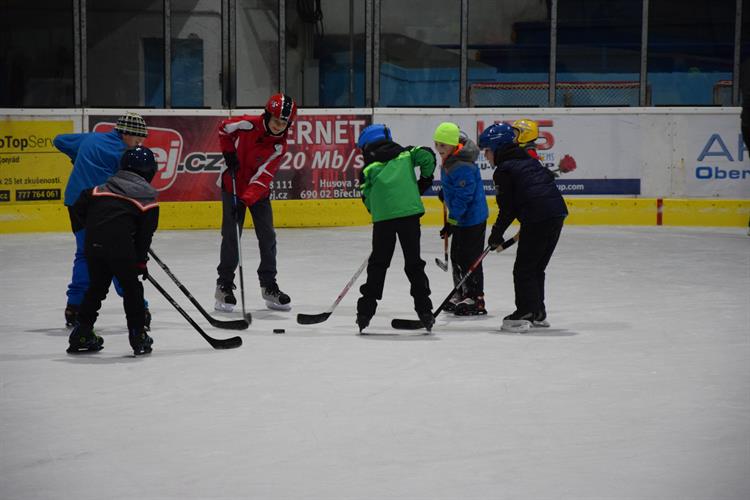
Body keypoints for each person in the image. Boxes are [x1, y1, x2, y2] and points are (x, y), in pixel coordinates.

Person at [54, 112, 151, 328]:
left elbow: (59, 140)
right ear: (125, 133)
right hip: (100, 206)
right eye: (137, 138)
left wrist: (76, 156)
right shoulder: (122, 154)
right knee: (116, 254)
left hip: (76, 202)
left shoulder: (91, 138)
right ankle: (138, 307)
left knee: (85, 253)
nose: (140, 143)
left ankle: (75, 307)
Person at [67, 147, 160, 355]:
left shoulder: (99, 189)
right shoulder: (148, 201)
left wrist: (96, 227)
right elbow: (144, 237)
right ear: (149, 171)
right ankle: (138, 335)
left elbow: (77, 207)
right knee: (132, 290)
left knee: (97, 288)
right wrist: (140, 261)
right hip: (121, 249)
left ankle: (81, 332)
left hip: (94, 245)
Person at [479, 123, 568, 333]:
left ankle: (526, 311)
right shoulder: (527, 159)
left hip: (538, 217)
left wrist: (496, 234)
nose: (486, 156)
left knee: (524, 269)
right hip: (556, 214)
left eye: (488, 151)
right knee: (536, 267)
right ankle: (537, 311)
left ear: (498, 148)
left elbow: (507, 209)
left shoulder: (504, 170)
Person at [215, 93, 296, 312]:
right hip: (231, 185)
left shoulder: (280, 146)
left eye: (285, 123)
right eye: (277, 120)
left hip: (257, 193)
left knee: (268, 235)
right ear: (267, 115)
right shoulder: (247, 124)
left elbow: (263, 177)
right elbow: (223, 128)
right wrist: (229, 152)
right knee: (232, 236)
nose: (280, 126)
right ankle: (223, 285)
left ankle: (268, 286)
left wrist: (245, 200)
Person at [355, 124, 437, 332]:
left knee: (378, 264)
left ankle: (365, 312)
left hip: (383, 221)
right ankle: (425, 310)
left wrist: (381, 209)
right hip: (409, 215)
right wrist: (425, 180)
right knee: (414, 263)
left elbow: (367, 199)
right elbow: (428, 156)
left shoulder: (367, 170)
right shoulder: (406, 155)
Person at [433, 122, 489, 316]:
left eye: (443, 145)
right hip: (461, 217)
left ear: (454, 145)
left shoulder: (462, 165)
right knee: (457, 255)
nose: (439, 150)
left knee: (469, 258)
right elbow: (456, 188)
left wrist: (452, 222)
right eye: (437, 144)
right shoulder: (451, 159)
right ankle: (460, 292)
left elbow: (465, 196)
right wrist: (445, 192)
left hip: (471, 218)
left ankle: (475, 297)